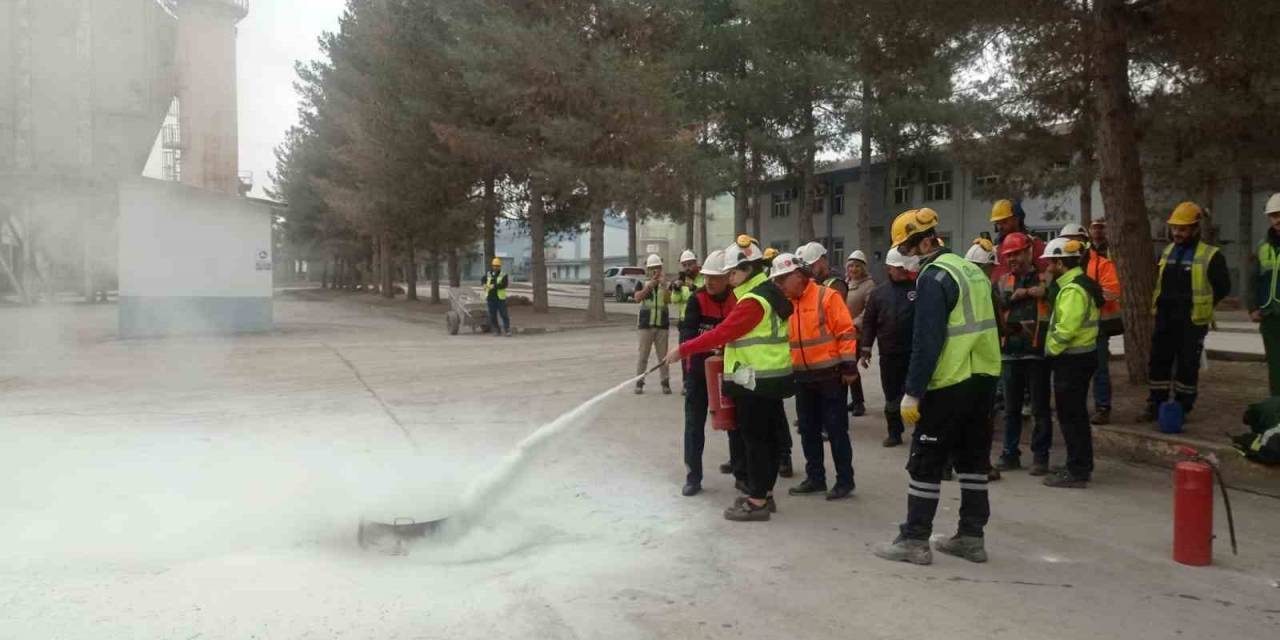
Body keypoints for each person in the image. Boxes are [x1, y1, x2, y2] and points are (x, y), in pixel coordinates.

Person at [874, 208, 1001, 566]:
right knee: (973, 460)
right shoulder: (972, 271)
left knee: (925, 461)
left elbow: (926, 341)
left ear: (919, 244)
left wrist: (912, 391)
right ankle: (972, 537)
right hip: (983, 379)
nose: (907, 258)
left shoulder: (933, 277)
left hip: (949, 382)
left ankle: (914, 539)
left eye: (906, 249)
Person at [665, 235, 796, 521]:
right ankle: (766, 494)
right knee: (769, 438)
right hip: (771, 377)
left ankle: (757, 501)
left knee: (756, 441)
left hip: (754, 380)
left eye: (731, 272)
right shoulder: (769, 292)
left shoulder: (753, 300)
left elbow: (723, 332)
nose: (729, 278)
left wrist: (682, 350)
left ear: (747, 269)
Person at [770, 252, 859, 500]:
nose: (778, 285)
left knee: (836, 430)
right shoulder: (787, 304)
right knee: (808, 430)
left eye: (781, 280)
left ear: (797, 276)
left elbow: (846, 331)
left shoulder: (826, 296)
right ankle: (816, 478)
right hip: (802, 377)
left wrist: (849, 367)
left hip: (830, 376)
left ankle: (845, 480)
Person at [1143, 202, 1231, 421]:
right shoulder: (1167, 251)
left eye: (1182, 229)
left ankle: (1183, 407)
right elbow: (1159, 283)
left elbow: (1223, 287)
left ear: (1195, 229)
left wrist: (1204, 305)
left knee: (1187, 365)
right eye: (1174, 228)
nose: (1177, 233)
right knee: (1158, 361)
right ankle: (1156, 404)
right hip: (1165, 317)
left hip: (1191, 320)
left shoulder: (1211, 255)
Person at [1039, 237, 1105, 488]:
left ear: (1060, 262)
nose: (1047, 267)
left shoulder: (1073, 289)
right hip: (1079, 358)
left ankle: (1077, 470)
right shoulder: (1077, 284)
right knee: (1073, 415)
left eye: (1050, 262)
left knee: (1071, 416)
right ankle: (1077, 464)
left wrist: (1050, 350)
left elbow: (1066, 330)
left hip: (1072, 360)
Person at [677, 250, 740, 497]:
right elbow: (687, 337)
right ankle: (693, 476)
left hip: (730, 372)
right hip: (699, 373)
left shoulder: (737, 299)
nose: (710, 282)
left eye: (715, 277)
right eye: (707, 277)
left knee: (735, 423)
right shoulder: (697, 300)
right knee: (694, 424)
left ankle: (740, 472)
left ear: (728, 277)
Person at [993, 232, 1054, 475]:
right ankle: (1010, 454)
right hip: (1010, 352)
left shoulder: (1045, 279)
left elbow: (1054, 300)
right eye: (1008, 256)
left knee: (1039, 408)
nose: (1012, 259)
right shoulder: (1003, 281)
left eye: (1016, 253)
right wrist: (1018, 296)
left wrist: (1031, 292)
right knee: (1011, 409)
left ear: (1029, 252)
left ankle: (1041, 457)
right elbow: (998, 305)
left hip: (1036, 352)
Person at [1060, 223, 1123, 425]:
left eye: (1073, 240)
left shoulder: (1102, 265)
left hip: (1098, 329)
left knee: (1099, 369)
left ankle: (1102, 408)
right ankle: (1076, 408)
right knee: (1073, 373)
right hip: (1071, 328)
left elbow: (1112, 292)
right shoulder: (1062, 265)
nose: (1069, 244)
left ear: (1084, 241)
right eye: (1066, 240)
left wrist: (1084, 296)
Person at [859, 247, 918, 447]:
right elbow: (869, 323)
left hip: (914, 353)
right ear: (888, 268)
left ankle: (921, 432)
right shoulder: (878, 294)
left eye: (904, 268)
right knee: (891, 395)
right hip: (889, 353)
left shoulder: (917, 288)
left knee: (917, 393)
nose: (901, 272)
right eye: (897, 268)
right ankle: (894, 431)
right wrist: (865, 348)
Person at [1250, 194, 1280, 396]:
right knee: (1275, 367)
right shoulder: (1262, 246)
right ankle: (1277, 410)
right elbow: (1254, 280)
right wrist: (1253, 307)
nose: (1277, 220)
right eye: (1273, 215)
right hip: (1269, 316)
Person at [635, 253, 673, 395]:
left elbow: (670, 300)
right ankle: (639, 382)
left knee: (663, 357)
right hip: (646, 326)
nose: (655, 271)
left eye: (657, 268)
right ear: (648, 270)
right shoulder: (642, 283)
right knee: (643, 356)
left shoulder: (665, 284)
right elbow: (637, 298)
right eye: (652, 269)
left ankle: (665, 382)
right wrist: (649, 287)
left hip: (662, 326)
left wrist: (664, 286)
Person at [843, 250, 875, 416]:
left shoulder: (868, 285)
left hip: (856, 333)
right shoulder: (845, 283)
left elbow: (868, 311)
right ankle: (856, 400)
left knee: (850, 367)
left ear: (863, 268)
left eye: (857, 266)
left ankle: (858, 403)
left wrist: (854, 324)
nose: (853, 269)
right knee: (846, 367)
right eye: (851, 266)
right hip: (843, 333)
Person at [670, 250, 705, 396]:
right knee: (685, 353)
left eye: (690, 264)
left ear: (696, 263)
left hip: (702, 322)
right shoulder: (682, 280)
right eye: (684, 265)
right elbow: (674, 300)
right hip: (685, 323)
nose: (687, 268)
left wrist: (692, 288)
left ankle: (702, 381)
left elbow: (705, 294)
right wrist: (677, 290)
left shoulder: (703, 278)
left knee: (702, 352)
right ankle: (687, 382)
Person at [990, 199, 1048, 280]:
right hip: (999, 291)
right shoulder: (995, 247)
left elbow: (1046, 271)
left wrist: (1038, 288)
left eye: (1004, 222)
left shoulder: (1032, 244)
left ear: (1016, 219)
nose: (1000, 227)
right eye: (997, 223)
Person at [483, 257, 512, 337]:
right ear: (492, 266)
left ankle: (507, 330)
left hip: (500, 299)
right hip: (490, 298)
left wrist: (494, 286)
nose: (495, 267)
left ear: (500, 266)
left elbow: (504, 284)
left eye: (497, 266)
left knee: (504, 314)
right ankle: (496, 330)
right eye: (494, 266)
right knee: (492, 315)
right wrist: (484, 284)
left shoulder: (504, 275)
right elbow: (483, 279)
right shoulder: (488, 274)